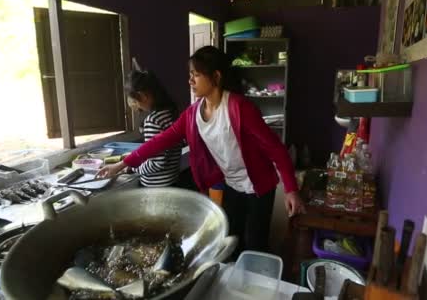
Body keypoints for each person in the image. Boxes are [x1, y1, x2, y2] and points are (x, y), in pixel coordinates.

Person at [99, 46, 306, 254]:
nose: (190, 81)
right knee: (231, 238)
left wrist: (291, 190)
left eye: (196, 75)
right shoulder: (193, 113)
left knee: (255, 243)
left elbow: (276, 149)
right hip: (232, 183)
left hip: (259, 184)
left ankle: (258, 276)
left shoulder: (240, 108)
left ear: (216, 77)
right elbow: (161, 140)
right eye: (190, 75)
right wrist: (123, 163)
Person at [125, 70, 181, 187]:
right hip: (172, 179)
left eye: (136, 101)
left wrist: (134, 168)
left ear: (144, 96)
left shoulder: (153, 120)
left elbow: (157, 162)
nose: (137, 105)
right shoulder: (170, 112)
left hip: (155, 186)